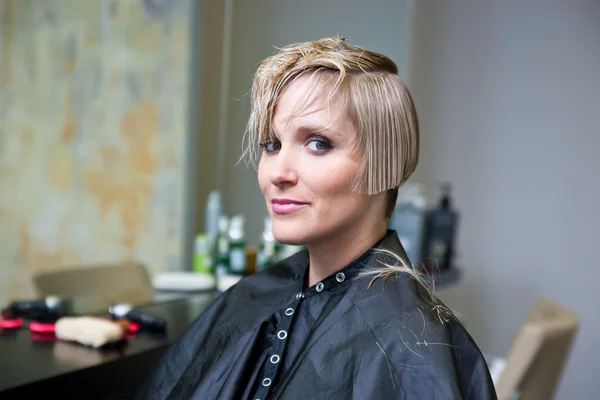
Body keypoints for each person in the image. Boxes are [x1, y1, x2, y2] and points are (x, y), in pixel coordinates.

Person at [135, 37, 497, 400]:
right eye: (271, 144)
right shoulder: (253, 296)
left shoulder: (413, 343)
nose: (278, 172)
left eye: (318, 143)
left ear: (386, 164)